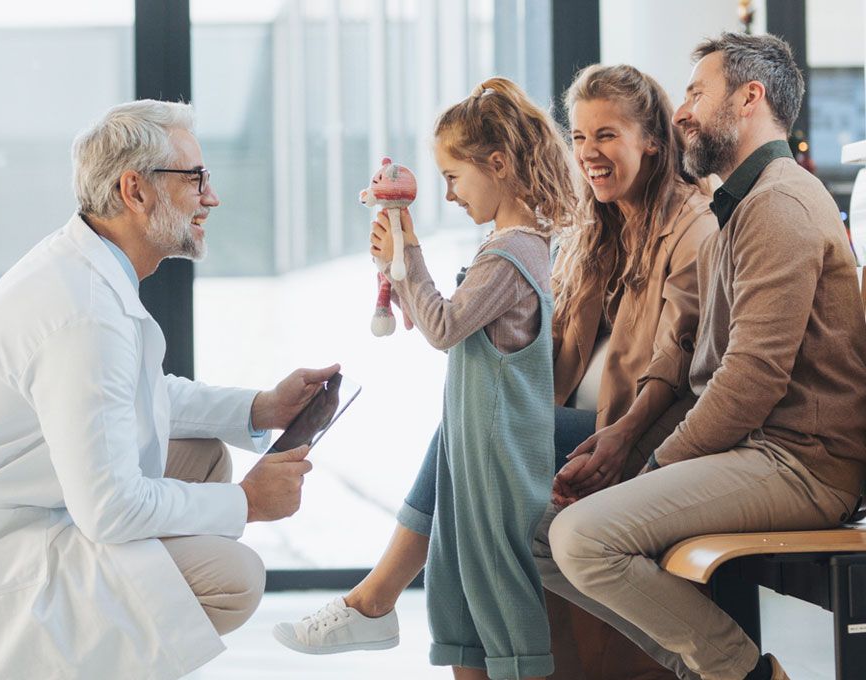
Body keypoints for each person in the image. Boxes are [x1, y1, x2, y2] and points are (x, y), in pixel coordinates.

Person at [275, 65, 717, 679]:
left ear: (652, 140)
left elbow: (675, 360)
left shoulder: (692, 225)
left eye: (606, 135)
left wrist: (613, 436)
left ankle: (376, 599)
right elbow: (535, 332)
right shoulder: (593, 226)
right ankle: (383, 605)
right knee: (462, 436)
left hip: (636, 426)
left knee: (467, 437)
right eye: (581, 136)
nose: (588, 152)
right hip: (576, 412)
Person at [0, 100, 338, 680]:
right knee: (235, 577)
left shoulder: (87, 270)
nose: (212, 197)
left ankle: (117, 620)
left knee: (202, 455)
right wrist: (249, 503)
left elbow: (141, 393)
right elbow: (110, 507)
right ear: (135, 191)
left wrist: (260, 406)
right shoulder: (83, 312)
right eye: (196, 179)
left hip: (32, 505)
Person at [540, 32, 866, 680]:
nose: (681, 109)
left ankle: (741, 674)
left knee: (582, 537)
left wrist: (657, 467)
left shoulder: (780, 203)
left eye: (696, 92)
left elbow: (752, 375)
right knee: (539, 533)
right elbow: (681, 337)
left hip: (801, 464)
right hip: (752, 454)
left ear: (750, 99)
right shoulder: (733, 208)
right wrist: (623, 441)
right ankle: (708, 670)